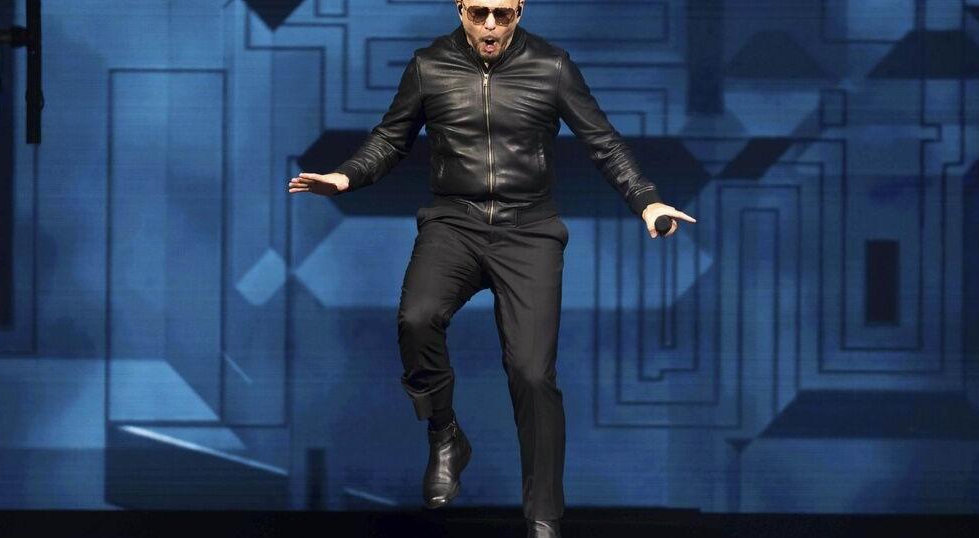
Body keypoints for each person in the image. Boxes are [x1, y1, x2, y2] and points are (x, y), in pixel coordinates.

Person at [289, 1, 697, 536]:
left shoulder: (551, 66)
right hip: (453, 223)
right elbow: (391, 138)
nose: (489, 25)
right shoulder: (428, 65)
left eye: (502, 14)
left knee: (532, 375)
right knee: (416, 318)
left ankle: (544, 518)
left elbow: (603, 141)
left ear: (519, 11)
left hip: (529, 230)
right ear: (460, 8)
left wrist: (646, 200)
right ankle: (445, 434)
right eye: (479, 12)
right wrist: (346, 176)